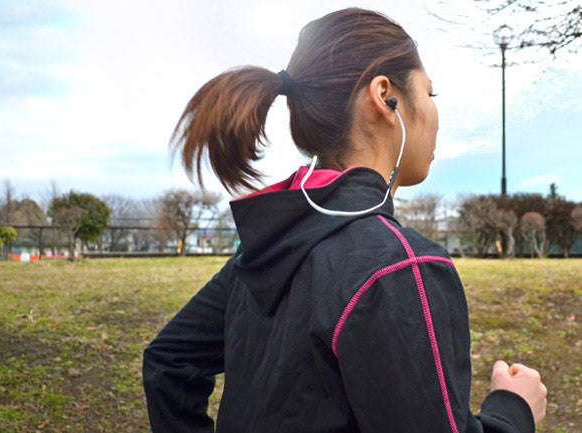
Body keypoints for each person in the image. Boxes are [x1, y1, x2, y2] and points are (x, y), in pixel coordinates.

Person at [143, 7, 547, 433]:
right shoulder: (400, 268)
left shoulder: (267, 247)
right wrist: (512, 410)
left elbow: (169, 364)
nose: (433, 112)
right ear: (385, 97)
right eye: (431, 94)